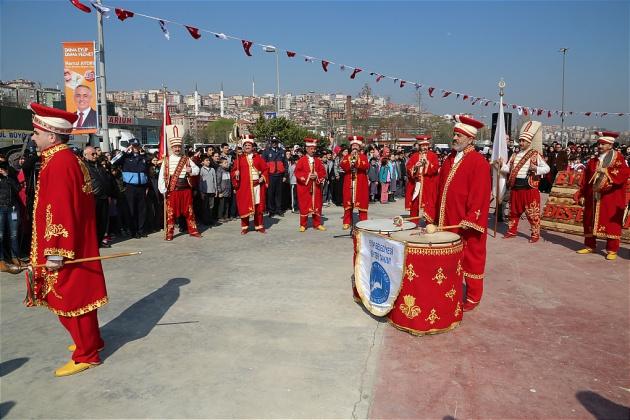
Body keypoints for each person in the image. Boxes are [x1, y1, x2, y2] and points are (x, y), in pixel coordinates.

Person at [27, 102, 107, 377]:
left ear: (51, 135)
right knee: (80, 296)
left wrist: (55, 252)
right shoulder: (65, 158)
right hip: (74, 243)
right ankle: (91, 341)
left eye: (36, 132)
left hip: (65, 248)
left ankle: (88, 354)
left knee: (69, 299)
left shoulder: (60, 162)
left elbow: (60, 208)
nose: (33, 137)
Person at [436, 115, 490, 312]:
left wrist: (471, 219)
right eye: (455, 134)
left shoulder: (478, 162)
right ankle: (450, 290)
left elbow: (481, 194)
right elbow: (440, 187)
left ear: (470, 139)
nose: (455, 138)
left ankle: (474, 296)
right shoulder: (450, 159)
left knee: (471, 256)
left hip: (466, 221)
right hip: (448, 217)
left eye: (459, 135)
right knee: (449, 257)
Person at [574, 131, 629, 260]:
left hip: (610, 197)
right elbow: (586, 179)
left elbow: (624, 173)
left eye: (603, 144)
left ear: (610, 145)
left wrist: (606, 171)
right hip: (592, 197)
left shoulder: (618, 158)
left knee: (610, 223)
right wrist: (581, 193)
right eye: (599, 144)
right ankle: (590, 245)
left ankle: (612, 249)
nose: (600, 146)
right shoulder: (593, 161)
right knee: (589, 220)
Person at [497, 121, 550, 243]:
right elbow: (509, 170)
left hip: (529, 188)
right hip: (516, 187)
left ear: (529, 142)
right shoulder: (515, 155)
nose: (521, 143)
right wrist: (501, 165)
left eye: (523, 141)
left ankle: (535, 235)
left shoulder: (535, 154)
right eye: (520, 141)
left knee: (532, 214)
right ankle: (511, 231)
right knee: (513, 212)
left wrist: (536, 169)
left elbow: (546, 168)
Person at [157, 125, 202, 241]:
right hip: (173, 190)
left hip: (186, 189)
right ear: (172, 147)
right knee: (171, 214)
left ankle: (193, 230)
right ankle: (170, 233)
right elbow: (161, 176)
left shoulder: (186, 159)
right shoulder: (166, 160)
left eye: (179, 147)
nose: (177, 149)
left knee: (189, 212)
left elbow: (197, 170)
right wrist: (163, 189)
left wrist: (191, 170)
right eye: (175, 147)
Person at [111, 139, 150, 238]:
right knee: (131, 210)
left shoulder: (143, 157)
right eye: (134, 146)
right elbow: (113, 162)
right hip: (130, 187)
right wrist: (124, 151)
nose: (136, 148)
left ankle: (141, 230)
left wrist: (147, 186)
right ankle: (133, 231)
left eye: (137, 146)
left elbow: (147, 172)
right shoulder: (125, 157)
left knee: (142, 210)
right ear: (130, 147)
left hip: (142, 187)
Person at [231, 134, 269, 234]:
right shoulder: (239, 159)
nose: (247, 147)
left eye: (249, 145)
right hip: (245, 187)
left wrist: (263, 177)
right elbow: (233, 172)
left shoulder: (258, 158)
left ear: (252, 147)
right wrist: (236, 174)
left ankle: (259, 226)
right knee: (244, 207)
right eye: (245, 145)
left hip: (257, 187)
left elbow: (265, 169)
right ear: (243, 147)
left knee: (258, 207)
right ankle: (245, 227)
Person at [83, 146, 114, 248]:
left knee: (103, 221)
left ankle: (99, 240)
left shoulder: (99, 166)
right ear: (85, 155)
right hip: (93, 197)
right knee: (94, 221)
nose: (95, 156)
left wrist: (109, 194)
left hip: (104, 197)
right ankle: (92, 243)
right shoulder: (84, 166)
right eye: (92, 154)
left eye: (95, 153)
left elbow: (107, 180)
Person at [405, 135, 439, 225]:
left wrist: (428, 164)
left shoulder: (433, 156)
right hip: (417, 184)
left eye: (426, 145)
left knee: (429, 205)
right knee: (414, 204)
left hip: (428, 185)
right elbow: (408, 169)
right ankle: (413, 223)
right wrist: (415, 166)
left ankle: (430, 223)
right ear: (419, 146)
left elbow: (435, 168)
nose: (425, 147)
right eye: (423, 145)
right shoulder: (414, 156)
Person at [294, 138, 327, 232]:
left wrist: (316, 175)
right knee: (305, 205)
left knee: (317, 204)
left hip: (316, 187)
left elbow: (322, 172)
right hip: (305, 187)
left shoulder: (317, 161)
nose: (313, 150)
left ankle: (317, 224)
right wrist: (308, 176)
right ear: (307, 149)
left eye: (314, 149)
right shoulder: (302, 160)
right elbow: (297, 172)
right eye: (311, 149)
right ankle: (303, 225)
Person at [340, 135, 369, 229]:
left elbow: (365, 166)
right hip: (349, 182)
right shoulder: (346, 157)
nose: (355, 147)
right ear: (351, 147)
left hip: (361, 183)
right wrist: (350, 160)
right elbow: (343, 166)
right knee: (348, 203)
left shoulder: (363, 157)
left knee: (362, 202)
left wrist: (356, 161)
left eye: (357, 145)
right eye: (353, 145)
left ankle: (363, 221)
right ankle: (347, 221)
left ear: (360, 147)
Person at [262, 136, 287, 217]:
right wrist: (264, 176)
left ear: (277, 142)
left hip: (280, 175)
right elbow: (263, 165)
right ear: (270, 142)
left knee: (279, 194)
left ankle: (279, 210)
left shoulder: (282, 151)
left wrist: (285, 175)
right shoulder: (266, 152)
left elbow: (285, 164)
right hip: (270, 175)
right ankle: (271, 210)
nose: (274, 143)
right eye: (273, 142)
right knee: (270, 194)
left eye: (275, 142)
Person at [198, 155, 217, 226]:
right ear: (202, 162)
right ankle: (205, 221)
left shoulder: (212, 169)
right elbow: (200, 181)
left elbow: (214, 180)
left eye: (209, 160)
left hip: (212, 191)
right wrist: (201, 192)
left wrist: (216, 190)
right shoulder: (201, 170)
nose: (208, 161)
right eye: (206, 160)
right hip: (205, 191)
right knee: (205, 207)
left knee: (211, 207)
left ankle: (210, 220)